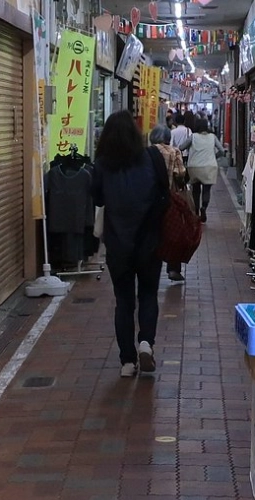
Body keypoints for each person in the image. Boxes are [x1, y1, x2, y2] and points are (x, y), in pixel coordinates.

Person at [92, 110, 169, 378]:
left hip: (118, 245)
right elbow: (164, 193)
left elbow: (98, 198)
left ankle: (127, 361)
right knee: (148, 294)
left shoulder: (102, 164)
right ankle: (146, 342)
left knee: (123, 301)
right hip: (149, 242)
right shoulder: (151, 157)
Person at [149, 125, 188, 283]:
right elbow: (180, 174)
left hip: (150, 198)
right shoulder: (174, 151)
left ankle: (150, 264)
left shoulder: (147, 152)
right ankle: (173, 269)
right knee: (173, 232)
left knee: (152, 231)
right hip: (170, 197)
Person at [185, 118, 225, 223]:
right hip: (209, 166)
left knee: (196, 190)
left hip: (194, 167)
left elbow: (181, 147)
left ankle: (196, 211)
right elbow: (222, 150)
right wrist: (214, 156)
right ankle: (204, 208)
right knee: (206, 190)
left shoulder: (193, 136)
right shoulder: (212, 137)